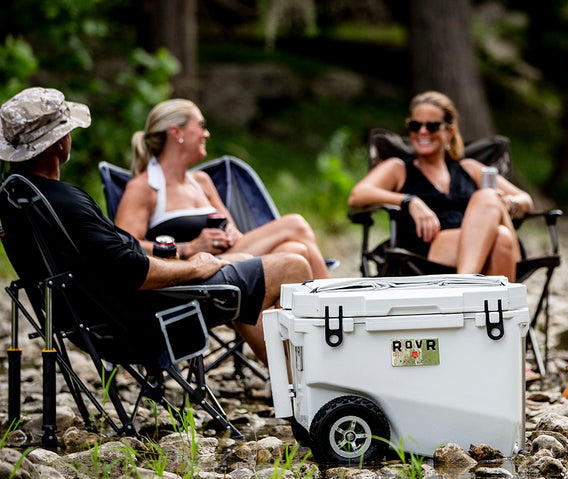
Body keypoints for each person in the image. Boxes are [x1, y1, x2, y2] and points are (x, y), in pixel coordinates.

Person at [0, 87, 311, 365]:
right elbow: (132, 270)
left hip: (99, 319)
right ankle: (308, 380)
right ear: (58, 144)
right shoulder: (67, 201)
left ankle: (285, 378)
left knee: (245, 260)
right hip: (147, 318)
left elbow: (117, 262)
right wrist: (194, 265)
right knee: (293, 266)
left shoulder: (17, 201)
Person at [115, 99, 331, 279]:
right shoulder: (144, 188)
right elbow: (123, 249)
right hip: (194, 270)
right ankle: (336, 307)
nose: (206, 134)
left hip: (230, 262)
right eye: (201, 125)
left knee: (295, 250)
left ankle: (280, 328)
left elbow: (235, 233)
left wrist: (231, 233)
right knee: (295, 224)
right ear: (176, 132)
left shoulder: (201, 182)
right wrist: (187, 248)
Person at [347, 90, 534, 281]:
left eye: (432, 126)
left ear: (449, 131)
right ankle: (473, 287)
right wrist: (408, 200)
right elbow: (358, 195)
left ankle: (464, 282)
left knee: (489, 203)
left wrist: (509, 204)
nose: (422, 131)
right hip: (427, 252)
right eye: (415, 125)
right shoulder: (399, 168)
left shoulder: (470, 169)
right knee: (501, 235)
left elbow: (526, 200)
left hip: (483, 245)